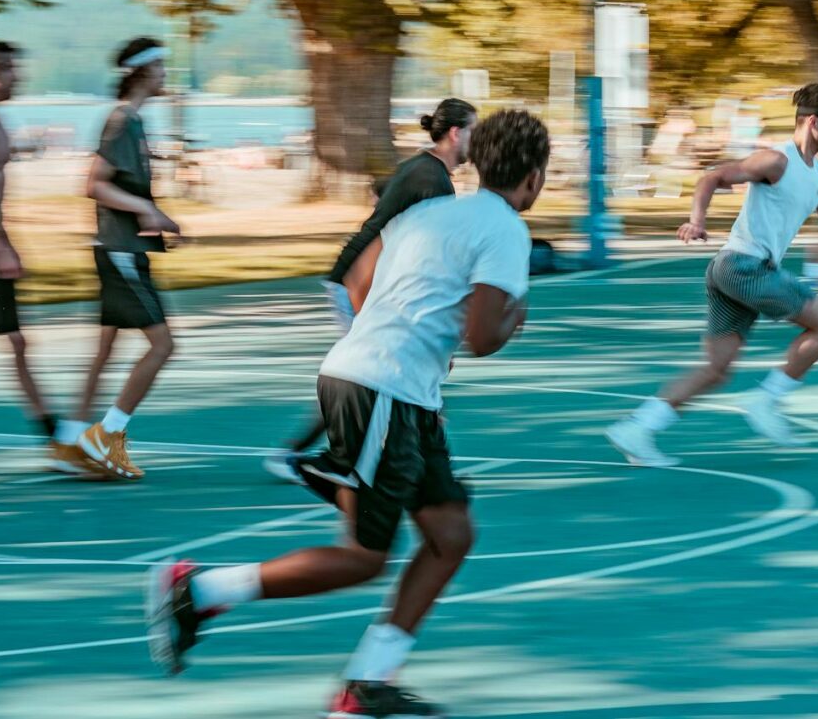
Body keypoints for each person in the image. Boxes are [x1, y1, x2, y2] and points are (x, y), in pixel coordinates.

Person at [145, 109, 547, 718]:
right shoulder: (506, 230)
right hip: (382, 388)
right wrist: (515, 315)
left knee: (449, 534)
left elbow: (360, 279)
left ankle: (369, 681)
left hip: (389, 387)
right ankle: (197, 589)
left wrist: (400, 341)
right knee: (365, 556)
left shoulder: (430, 212)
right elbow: (484, 335)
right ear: (535, 176)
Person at [606, 82, 818, 468]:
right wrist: (697, 220)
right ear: (812, 123)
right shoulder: (776, 161)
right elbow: (713, 178)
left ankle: (637, 428)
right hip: (743, 267)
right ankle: (765, 401)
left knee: (716, 370)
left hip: (732, 273)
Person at [263, 98, 478, 483]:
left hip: (365, 280)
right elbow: (429, 259)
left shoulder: (422, 168)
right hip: (359, 283)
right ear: (456, 133)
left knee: (370, 374)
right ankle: (305, 455)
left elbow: (386, 207)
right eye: (474, 133)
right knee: (364, 374)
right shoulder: (434, 182)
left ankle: (394, 449)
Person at [52, 38, 182, 480]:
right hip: (120, 253)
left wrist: (156, 218)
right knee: (163, 346)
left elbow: (124, 190)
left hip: (122, 248)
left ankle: (69, 441)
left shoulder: (133, 122)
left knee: (105, 350)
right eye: (161, 66)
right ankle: (107, 434)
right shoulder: (123, 121)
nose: (166, 73)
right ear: (144, 72)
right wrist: (146, 210)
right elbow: (95, 184)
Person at [0, 41, 53, 459]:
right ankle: (48, 426)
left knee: (16, 341)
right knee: (13, 341)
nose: (17, 76)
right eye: (10, 69)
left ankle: (48, 427)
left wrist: (5, 243)